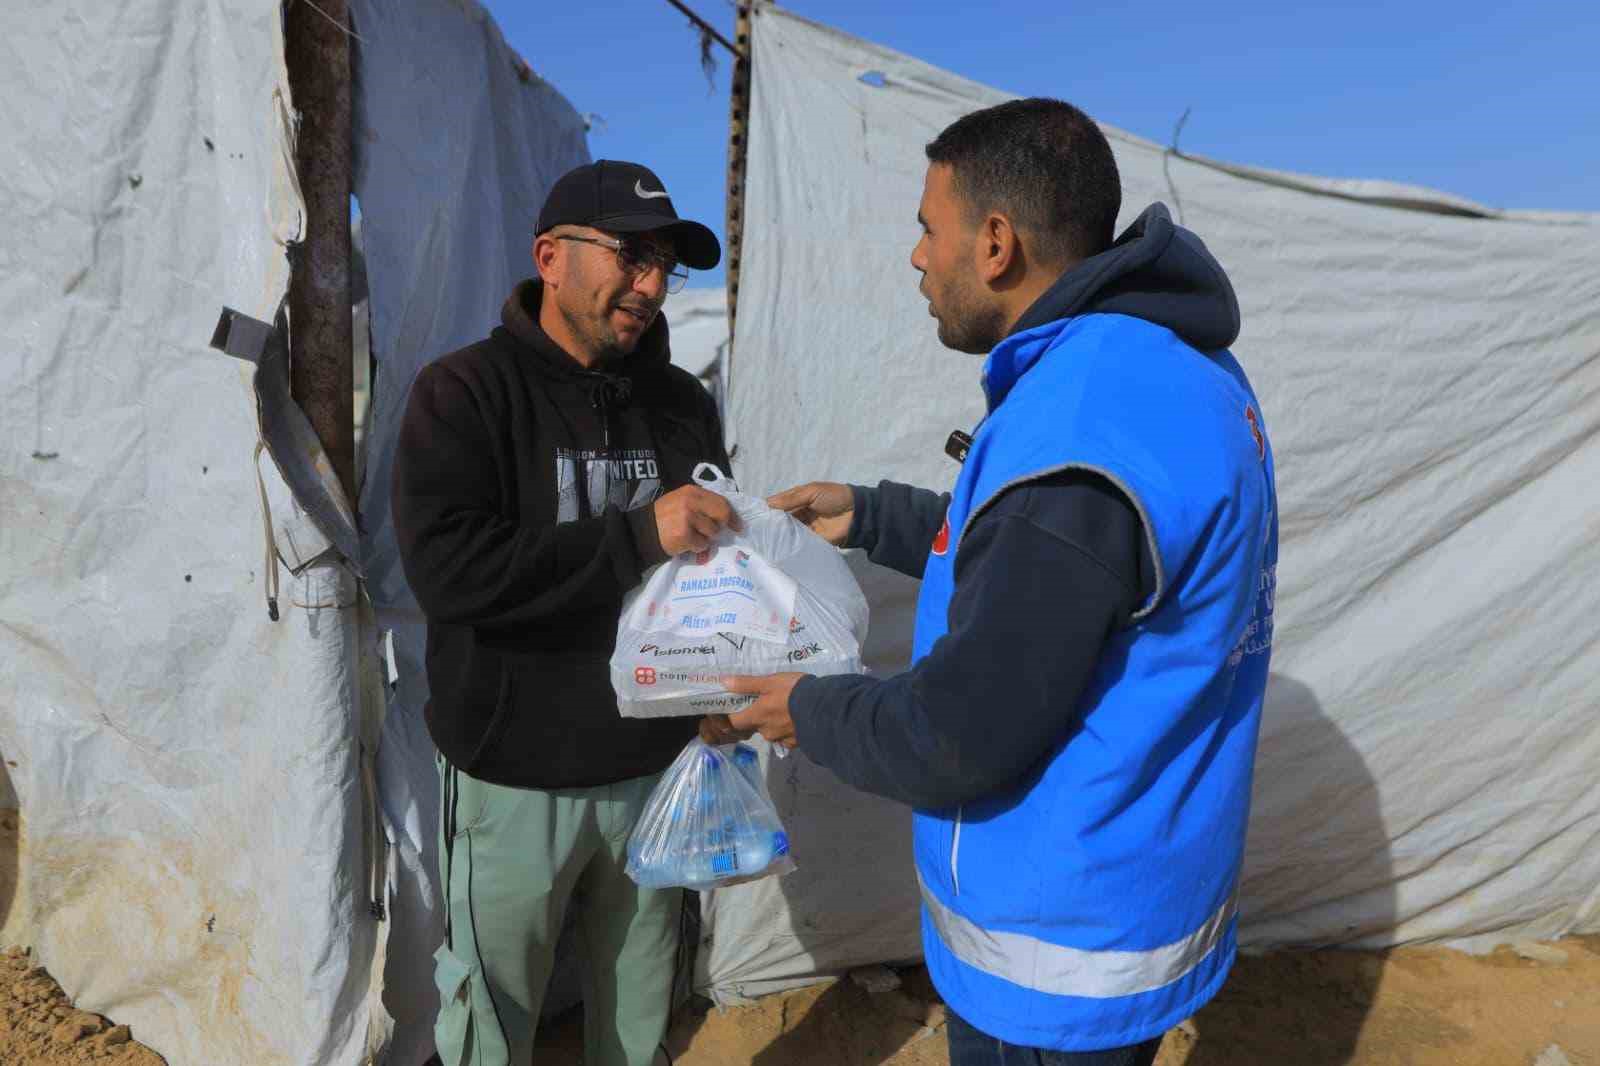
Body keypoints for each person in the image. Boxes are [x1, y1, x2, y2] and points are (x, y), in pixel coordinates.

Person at [704, 99, 1279, 1066]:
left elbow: (957, 734)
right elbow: (1068, 568)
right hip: (1137, 883)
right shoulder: (1170, 371)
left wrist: (809, 707)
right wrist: (874, 514)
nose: (918, 257)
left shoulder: (1078, 427)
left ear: (997, 243)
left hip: (1052, 966)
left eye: (929, 229)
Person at [393, 159, 739, 1066]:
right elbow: (450, 573)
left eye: (667, 264)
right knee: (492, 1019)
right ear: (551, 256)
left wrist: (723, 674)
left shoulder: (681, 405)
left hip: (656, 769)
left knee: (637, 1014)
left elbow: (704, 574)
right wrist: (634, 536)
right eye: (631, 255)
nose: (652, 285)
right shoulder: (463, 394)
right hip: (516, 776)